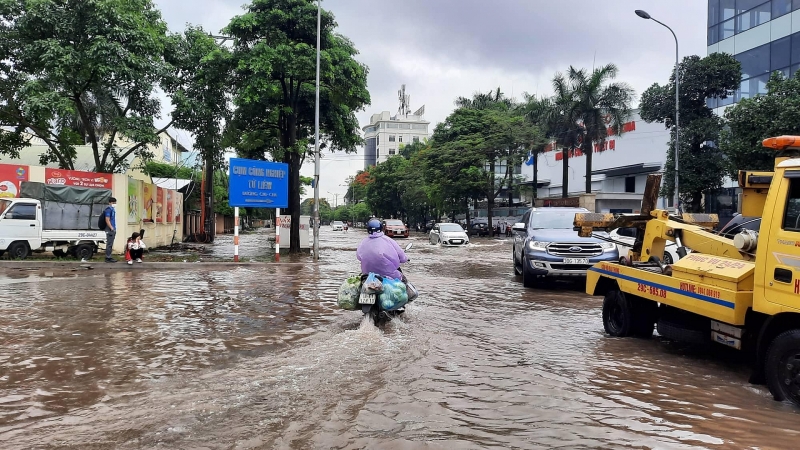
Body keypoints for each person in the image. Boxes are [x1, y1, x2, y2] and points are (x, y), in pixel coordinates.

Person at [104, 197, 117, 263]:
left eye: (115, 203)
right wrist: (111, 228)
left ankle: (109, 257)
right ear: (110, 203)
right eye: (113, 203)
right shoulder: (108, 209)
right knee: (109, 244)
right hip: (110, 229)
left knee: (110, 244)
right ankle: (108, 258)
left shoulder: (112, 209)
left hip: (112, 229)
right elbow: (107, 219)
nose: (114, 204)